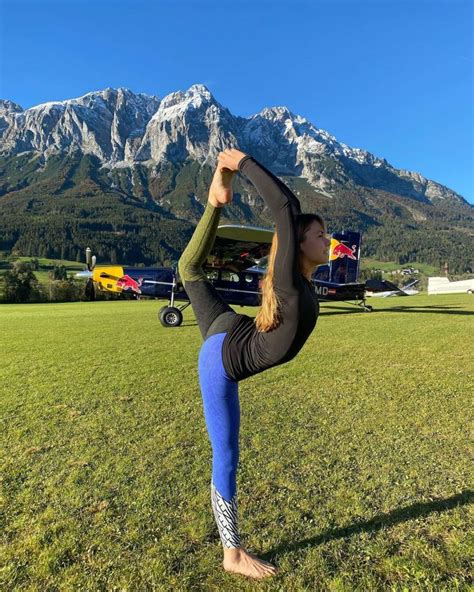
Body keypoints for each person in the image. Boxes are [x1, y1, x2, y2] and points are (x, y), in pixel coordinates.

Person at [178, 148, 330, 579]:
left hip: (231, 327)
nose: (327, 241)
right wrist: (238, 162)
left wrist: (223, 184)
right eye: (320, 235)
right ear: (298, 245)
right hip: (221, 359)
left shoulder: (297, 285)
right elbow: (286, 207)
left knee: (189, 270)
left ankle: (214, 201)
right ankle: (232, 555)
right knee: (225, 455)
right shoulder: (289, 283)